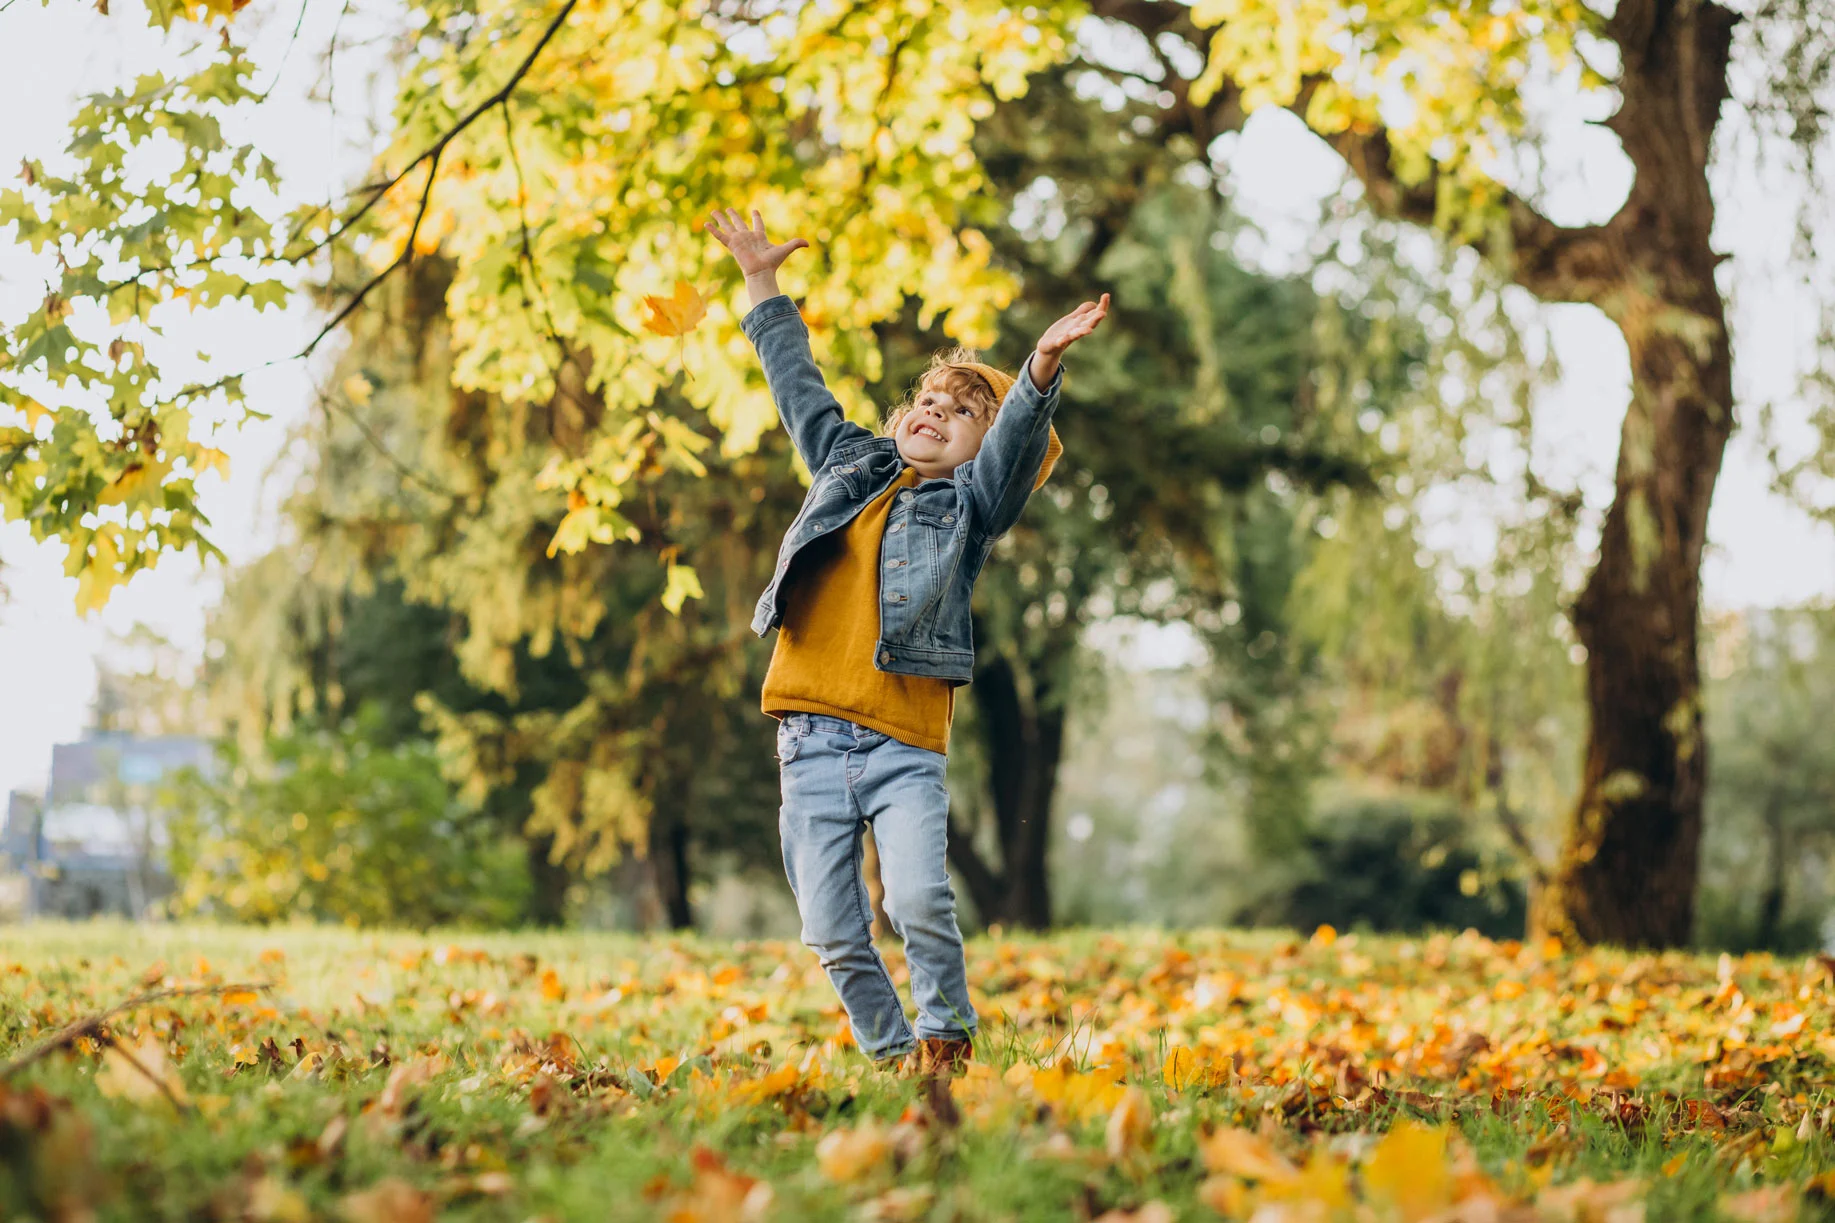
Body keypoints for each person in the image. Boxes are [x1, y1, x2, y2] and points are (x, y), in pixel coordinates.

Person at [705, 207, 1109, 1079]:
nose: (935, 411)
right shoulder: (847, 463)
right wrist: (761, 282)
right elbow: (796, 385)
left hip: (902, 745)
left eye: (962, 412)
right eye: (927, 400)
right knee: (831, 929)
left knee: (920, 898)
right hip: (808, 742)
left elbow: (1010, 453)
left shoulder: (969, 508)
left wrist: (1038, 367)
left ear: (977, 452)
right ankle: (898, 1062)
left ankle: (945, 1035)